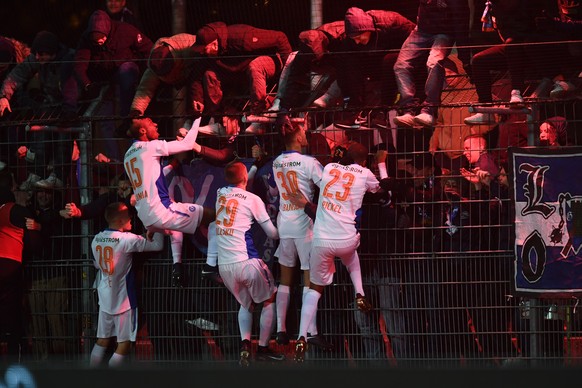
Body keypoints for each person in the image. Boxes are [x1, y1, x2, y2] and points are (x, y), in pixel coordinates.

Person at [291, 142, 381, 363]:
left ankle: (302, 335)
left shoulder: (330, 167)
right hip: (346, 239)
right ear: (365, 160)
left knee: (314, 290)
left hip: (321, 241)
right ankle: (359, 293)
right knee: (352, 258)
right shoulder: (365, 172)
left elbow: (330, 175)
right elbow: (378, 188)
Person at [124, 117, 214, 287]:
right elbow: (187, 145)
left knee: (175, 226)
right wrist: (196, 120)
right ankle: (211, 266)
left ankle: (177, 266)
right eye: (151, 122)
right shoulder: (150, 147)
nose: (156, 124)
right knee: (214, 216)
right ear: (143, 131)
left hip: (146, 215)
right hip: (160, 212)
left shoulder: (128, 155)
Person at [214, 160, 284, 366]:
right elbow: (272, 233)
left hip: (225, 267)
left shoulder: (221, 193)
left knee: (246, 303)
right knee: (269, 298)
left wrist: (251, 169)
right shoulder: (253, 200)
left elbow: (241, 183)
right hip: (246, 261)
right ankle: (262, 348)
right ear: (244, 177)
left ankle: (245, 344)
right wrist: (287, 230)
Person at [270, 119, 332, 349]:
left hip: (284, 223)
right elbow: (327, 184)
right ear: (297, 137)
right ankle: (310, 331)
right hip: (304, 225)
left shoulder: (277, 162)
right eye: (304, 133)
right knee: (309, 278)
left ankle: (281, 329)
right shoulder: (309, 162)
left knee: (285, 279)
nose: (307, 136)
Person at [0, 30, 80, 190]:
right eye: (36, 54)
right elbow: (16, 76)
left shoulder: (68, 61)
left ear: (52, 53)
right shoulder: (37, 59)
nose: (37, 57)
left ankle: (58, 176)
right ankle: (37, 173)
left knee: (62, 136)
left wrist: (69, 109)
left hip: (70, 105)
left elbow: (71, 87)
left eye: (41, 54)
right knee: (40, 130)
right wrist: (4, 96)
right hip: (49, 103)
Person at [89, 202, 163, 367]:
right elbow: (158, 244)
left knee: (102, 340)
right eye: (129, 216)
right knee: (125, 343)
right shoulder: (127, 240)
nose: (131, 218)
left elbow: (96, 264)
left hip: (104, 297)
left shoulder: (96, 239)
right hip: (124, 301)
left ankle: (90, 377)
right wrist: (156, 225)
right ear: (121, 220)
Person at [74, 10, 153, 162]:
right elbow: (79, 65)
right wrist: (87, 85)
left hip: (124, 75)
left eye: (102, 37)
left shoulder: (126, 31)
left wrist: (145, 74)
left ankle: (127, 117)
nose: (99, 41)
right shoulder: (85, 40)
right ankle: (115, 162)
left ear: (108, 31)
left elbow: (148, 49)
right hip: (100, 80)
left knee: (127, 71)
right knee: (106, 120)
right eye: (95, 39)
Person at [333, 7, 416, 130]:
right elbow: (344, 69)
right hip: (375, 63)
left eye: (359, 37)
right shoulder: (349, 42)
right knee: (349, 65)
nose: (357, 42)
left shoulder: (392, 22)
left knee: (389, 61)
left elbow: (416, 37)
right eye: (354, 39)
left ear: (368, 29)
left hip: (402, 59)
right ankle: (356, 112)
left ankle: (384, 112)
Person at [392, 0, 471, 129]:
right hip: (421, 31)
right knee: (400, 66)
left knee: (434, 62)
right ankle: (408, 110)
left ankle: (429, 110)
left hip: (444, 33)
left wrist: (465, 57)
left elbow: (461, 24)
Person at [191, 21, 292, 118]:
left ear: (214, 44)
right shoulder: (208, 54)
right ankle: (216, 117)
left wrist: (289, 71)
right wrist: (197, 99)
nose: (203, 53)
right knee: (210, 74)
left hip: (271, 59)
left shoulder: (241, 37)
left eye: (204, 49)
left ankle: (257, 112)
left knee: (255, 66)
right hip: (241, 70)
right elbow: (197, 74)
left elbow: (280, 37)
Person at [0, 170, 41, 363]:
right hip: (10, 264)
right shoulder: (15, 210)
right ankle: (16, 358)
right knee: (14, 315)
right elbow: (33, 239)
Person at [130, 33, 201, 128]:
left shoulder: (189, 46)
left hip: (198, 74)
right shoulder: (155, 64)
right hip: (181, 77)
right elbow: (145, 89)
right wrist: (136, 111)